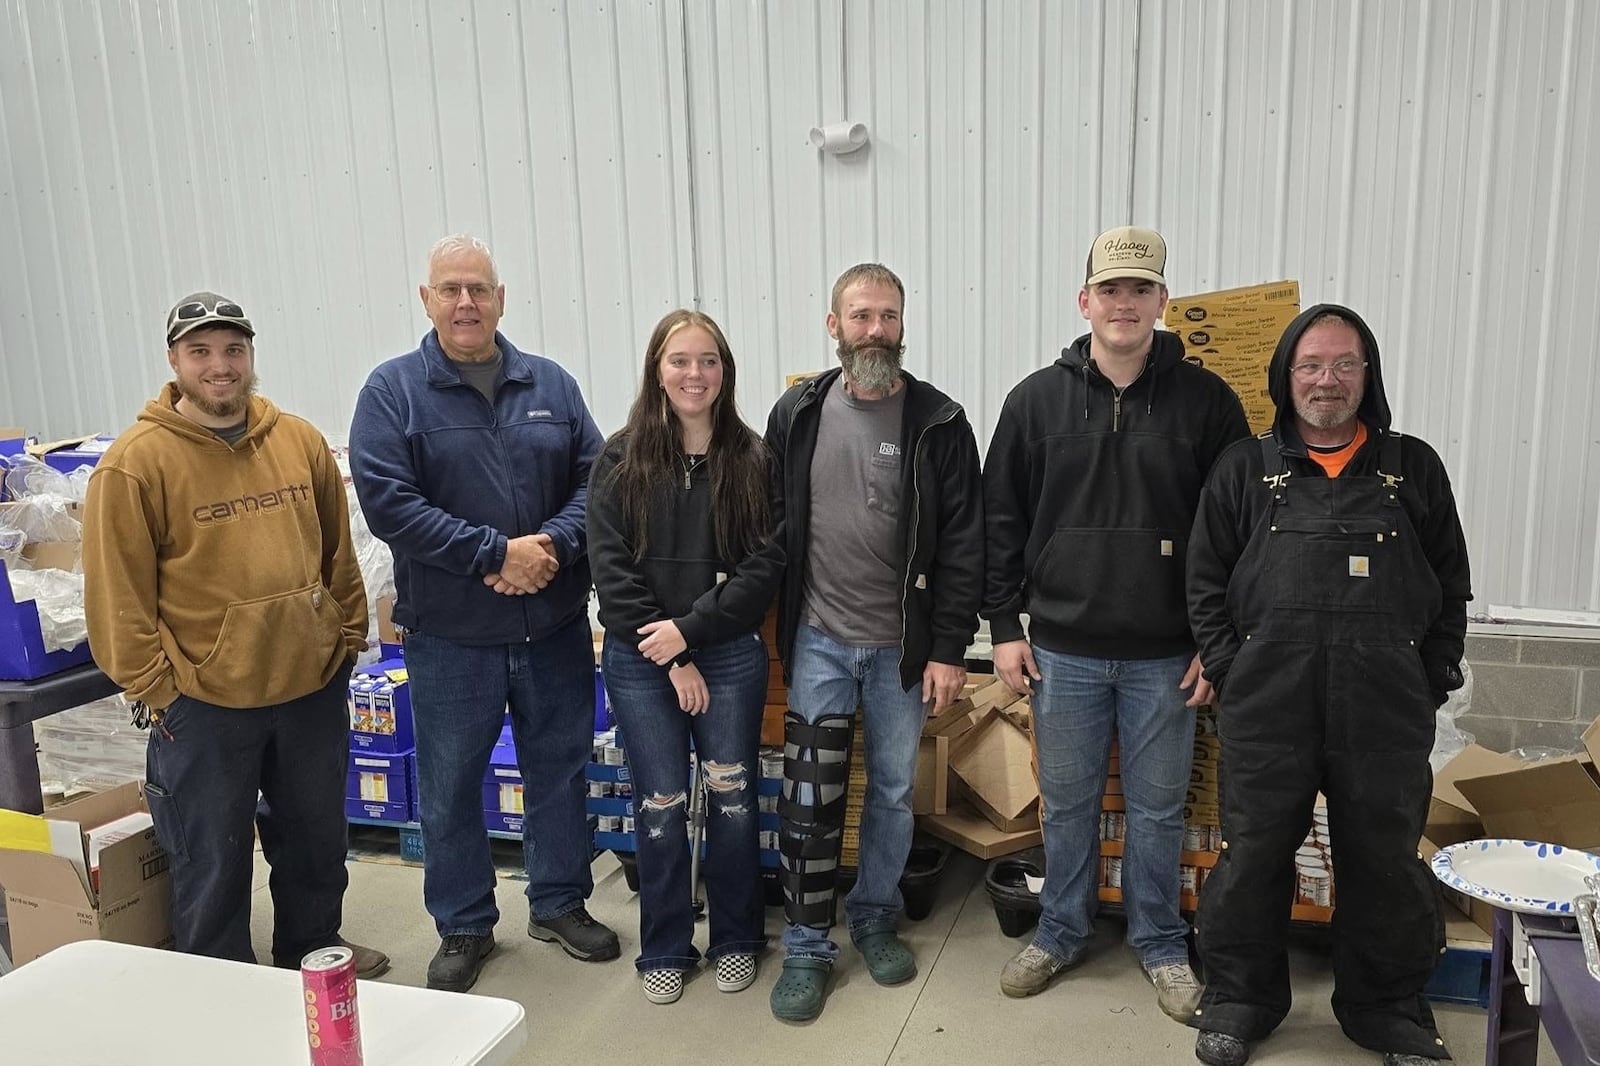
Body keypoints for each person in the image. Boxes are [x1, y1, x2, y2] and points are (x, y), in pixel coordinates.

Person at [1185, 305, 1471, 1066]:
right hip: (1268, 702)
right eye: (1311, 365)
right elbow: (1205, 578)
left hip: (1384, 706)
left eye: (1345, 364)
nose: (1327, 381)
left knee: (1382, 859)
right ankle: (1241, 997)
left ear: (1366, 375)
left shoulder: (1413, 467)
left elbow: (1450, 582)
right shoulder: (1246, 469)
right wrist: (1228, 668)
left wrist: (1430, 677)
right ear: (1286, 376)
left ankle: (1386, 1009)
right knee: (1253, 855)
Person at [982, 227, 1250, 1015]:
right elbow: (1001, 520)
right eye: (1111, 289)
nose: (1124, 303)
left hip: (1168, 657)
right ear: (1085, 300)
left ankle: (1160, 942)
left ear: (1163, 302)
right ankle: (1060, 930)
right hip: (1061, 650)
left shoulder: (1208, 404)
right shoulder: (1034, 402)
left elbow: (1239, 534)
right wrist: (1002, 627)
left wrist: (1215, 641)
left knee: (1158, 808)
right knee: (1065, 804)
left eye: (1141, 290)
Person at [83, 291, 387, 978]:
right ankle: (221, 982)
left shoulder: (298, 441)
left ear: (250, 356)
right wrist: (162, 691)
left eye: (232, 350)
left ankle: (312, 949)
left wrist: (342, 642)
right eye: (201, 352)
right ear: (174, 361)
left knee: (315, 842)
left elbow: (339, 557)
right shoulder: (137, 464)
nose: (219, 366)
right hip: (205, 702)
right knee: (211, 855)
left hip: (308, 688)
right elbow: (116, 600)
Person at [349, 235, 617, 993]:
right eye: (451, 289)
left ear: (502, 298)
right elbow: (389, 504)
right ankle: (465, 924)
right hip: (452, 639)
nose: (466, 302)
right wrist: (494, 554)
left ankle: (559, 902)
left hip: (554, 628)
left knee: (559, 771)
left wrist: (552, 550)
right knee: (450, 783)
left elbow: (597, 482)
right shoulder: (392, 392)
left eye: (480, 289)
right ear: (427, 300)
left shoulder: (552, 386)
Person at [764, 263, 984, 1022]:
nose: (875, 330)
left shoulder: (940, 421)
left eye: (888, 316)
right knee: (810, 799)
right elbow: (769, 529)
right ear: (834, 325)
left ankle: (876, 916)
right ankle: (805, 944)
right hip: (820, 639)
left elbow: (964, 546)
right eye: (860, 316)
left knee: (892, 792)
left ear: (903, 324)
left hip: (903, 652)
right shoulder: (795, 413)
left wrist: (951, 649)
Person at [587, 309, 782, 1005]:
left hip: (727, 656)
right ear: (656, 370)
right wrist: (671, 655)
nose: (693, 374)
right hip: (644, 662)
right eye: (679, 360)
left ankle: (736, 939)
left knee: (731, 799)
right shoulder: (620, 458)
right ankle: (665, 948)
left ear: (724, 372)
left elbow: (765, 565)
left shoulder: (752, 459)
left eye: (707, 361)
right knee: (662, 804)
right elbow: (610, 569)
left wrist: (692, 635)